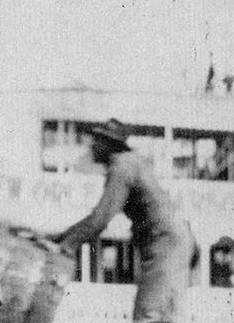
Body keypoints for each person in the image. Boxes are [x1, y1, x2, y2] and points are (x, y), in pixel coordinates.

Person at [55, 119, 198, 323]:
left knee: (148, 315)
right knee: (165, 315)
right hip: (175, 240)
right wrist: (62, 238)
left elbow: (99, 219)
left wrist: (66, 244)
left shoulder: (122, 166)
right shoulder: (130, 162)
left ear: (109, 145)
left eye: (98, 141)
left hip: (165, 243)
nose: (93, 146)